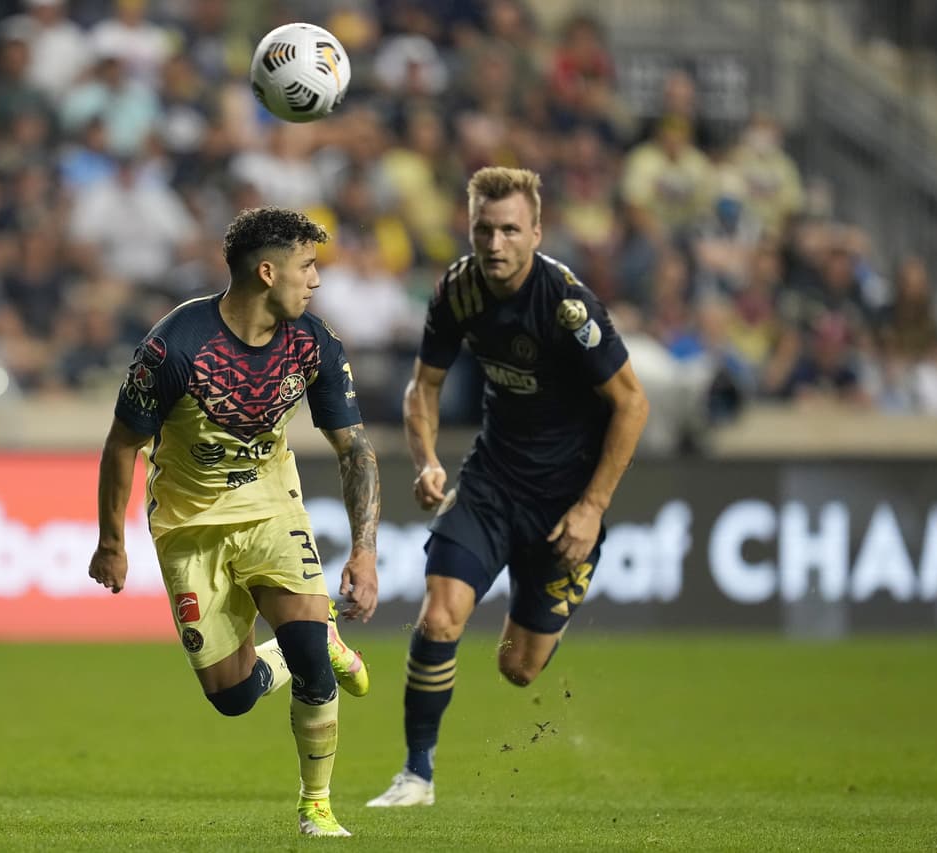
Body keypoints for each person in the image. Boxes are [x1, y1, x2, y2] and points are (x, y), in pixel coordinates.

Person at [88, 207, 380, 837]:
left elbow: (355, 449)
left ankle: (316, 805)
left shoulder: (313, 342)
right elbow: (121, 445)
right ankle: (316, 644)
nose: (317, 281)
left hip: (273, 511)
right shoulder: (174, 347)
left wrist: (364, 549)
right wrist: (112, 543)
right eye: (307, 267)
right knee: (232, 696)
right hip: (190, 527)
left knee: (310, 658)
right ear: (267, 272)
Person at [367, 167, 649, 808]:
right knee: (440, 617)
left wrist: (592, 507)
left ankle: (542, 593)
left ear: (537, 233)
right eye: (484, 230)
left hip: (565, 505)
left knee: (517, 669)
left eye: (510, 231)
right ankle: (416, 775)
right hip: (491, 483)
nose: (495, 244)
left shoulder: (567, 305)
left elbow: (633, 404)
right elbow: (423, 387)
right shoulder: (458, 291)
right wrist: (426, 461)